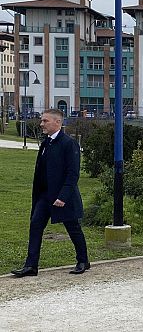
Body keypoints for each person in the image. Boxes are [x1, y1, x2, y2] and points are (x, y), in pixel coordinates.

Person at [11, 109, 90, 277]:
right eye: (42, 121)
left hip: (62, 197)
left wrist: (63, 196)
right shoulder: (46, 143)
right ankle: (31, 265)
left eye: (45, 121)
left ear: (57, 123)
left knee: (73, 228)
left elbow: (73, 174)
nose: (41, 124)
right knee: (35, 225)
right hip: (44, 196)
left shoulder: (69, 144)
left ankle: (83, 260)